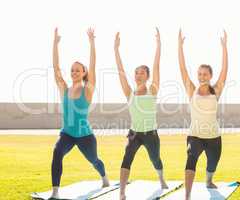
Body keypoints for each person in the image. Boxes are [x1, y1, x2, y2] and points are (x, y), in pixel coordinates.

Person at [49, 28, 109, 200]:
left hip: (85, 135)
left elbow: (93, 66)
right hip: (66, 133)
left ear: (83, 73)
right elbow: (56, 69)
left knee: (94, 160)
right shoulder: (64, 89)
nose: (74, 72)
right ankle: (55, 191)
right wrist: (55, 44)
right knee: (57, 152)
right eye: (73, 70)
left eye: (78, 70)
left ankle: (104, 177)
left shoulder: (87, 91)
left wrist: (92, 44)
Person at [114, 28, 168, 200]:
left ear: (147, 76)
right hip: (134, 134)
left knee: (155, 160)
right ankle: (122, 192)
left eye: (142, 73)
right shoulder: (129, 93)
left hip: (151, 134)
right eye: (136, 72)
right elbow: (120, 71)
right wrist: (116, 50)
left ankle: (161, 178)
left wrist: (159, 45)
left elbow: (157, 66)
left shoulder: (152, 90)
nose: (138, 75)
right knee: (126, 158)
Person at [178, 29, 228, 200]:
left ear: (210, 76)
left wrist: (224, 47)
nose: (201, 76)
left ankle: (208, 180)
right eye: (199, 74)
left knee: (212, 164)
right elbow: (183, 69)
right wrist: (180, 46)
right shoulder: (192, 90)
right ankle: (187, 195)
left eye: (205, 74)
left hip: (214, 136)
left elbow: (224, 70)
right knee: (191, 159)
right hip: (195, 135)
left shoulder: (216, 91)